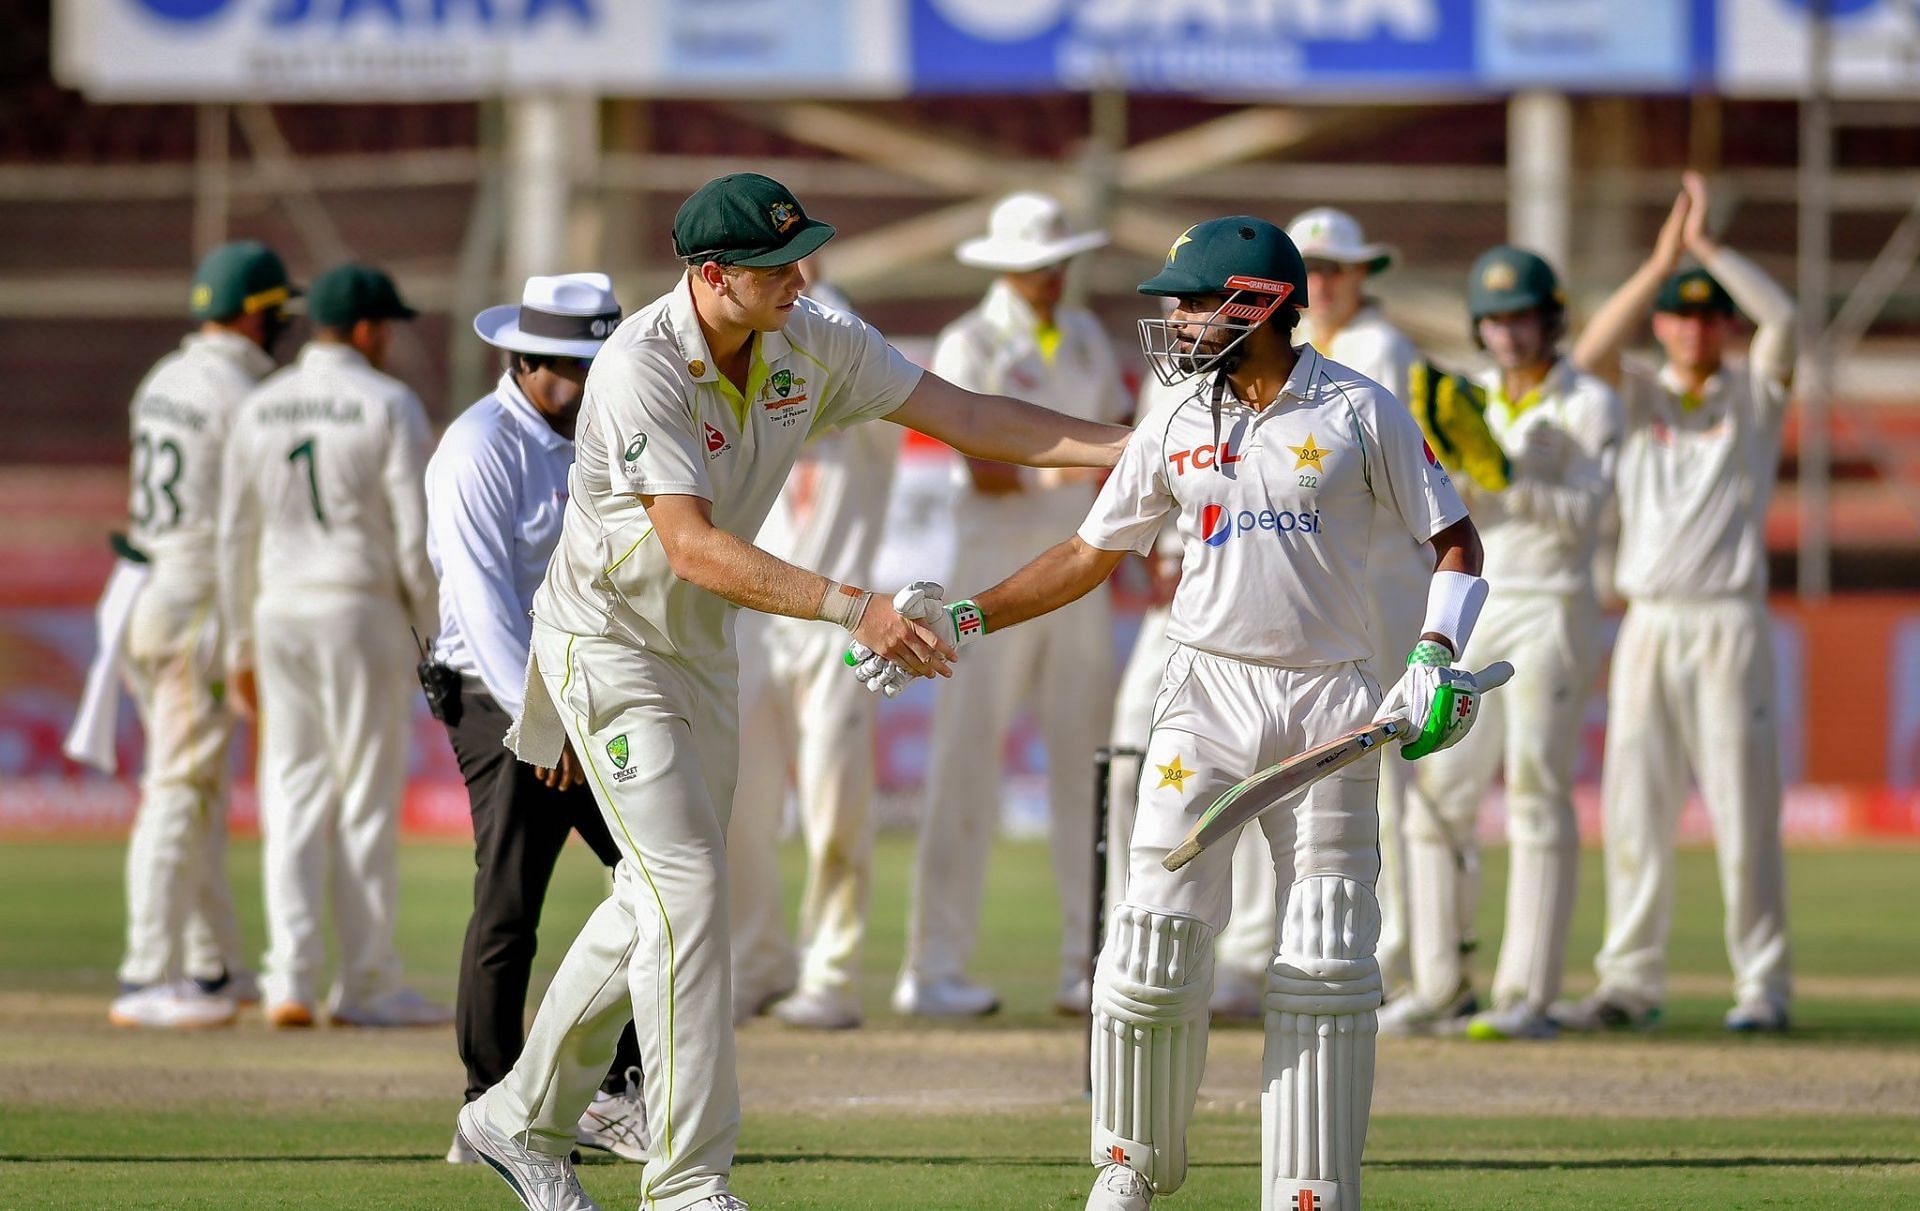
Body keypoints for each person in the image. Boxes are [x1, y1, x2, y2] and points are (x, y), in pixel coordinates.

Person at [452, 172, 1130, 1211]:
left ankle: (511, 1120)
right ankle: (686, 1181)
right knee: (689, 893)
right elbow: (691, 547)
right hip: (608, 646)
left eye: (804, 255)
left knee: (651, 898)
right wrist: (853, 605)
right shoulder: (639, 364)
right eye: (777, 266)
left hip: (701, 650)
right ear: (711, 275)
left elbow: (966, 414)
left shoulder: (811, 333)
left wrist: (1127, 450)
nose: (801, 277)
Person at [851, 215, 1490, 1211]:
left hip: (1330, 699)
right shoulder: (1176, 418)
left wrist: (1435, 656)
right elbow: (1086, 553)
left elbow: (1455, 539)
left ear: (1260, 304)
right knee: (1151, 940)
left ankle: (1310, 1187)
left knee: (1325, 953)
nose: (1177, 319)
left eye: (1193, 300)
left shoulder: (1364, 410)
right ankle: (1129, 1165)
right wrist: (969, 613)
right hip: (1204, 699)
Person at [1559, 172, 1796, 1034]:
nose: (1694, 328)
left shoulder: (1755, 393)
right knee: (1635, 804)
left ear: (1723, 325)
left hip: (1728, 620)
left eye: (1707, 314)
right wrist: (1659, 259)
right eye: (1679, 311)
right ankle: (1629, 979)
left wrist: (1707, 253)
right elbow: (1583, 357)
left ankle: (1762, 985)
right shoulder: (1641, 394)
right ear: (1662, 323)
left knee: (1743, 805)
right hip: (1650, 619)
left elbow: (1786, 323)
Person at [429, 273, 649, 1165]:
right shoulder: (475, 448)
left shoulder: (600, 428)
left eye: (599, 362)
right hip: (499, 693)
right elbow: (482, 612)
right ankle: (486, 1104)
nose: (590, 379)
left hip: (586, 685)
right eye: (572, 365)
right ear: (523, 359)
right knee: (512, 895)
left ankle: (611, 1088)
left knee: (655, 877)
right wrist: (545, 717)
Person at [899, 191, 1129, 1019]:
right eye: (1036, 266)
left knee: (1088, 767)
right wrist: (1063, 473)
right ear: (1005, 268)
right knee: (963, 765)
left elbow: (1118, 429)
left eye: (1057, 262)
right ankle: (932, 967)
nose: (1049, 277)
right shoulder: (971, 340)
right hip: (994, 567)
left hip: (1074, 567)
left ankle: (1089, 962)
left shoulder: (1090, 335)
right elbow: (979, 461)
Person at [1385, 246, 1621, 1042]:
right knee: (1435, 795)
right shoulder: (1471, 396)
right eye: (1493, 320)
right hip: (1476, 603)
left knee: (1535, 793)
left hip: (1554, 606)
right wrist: (1467, 466)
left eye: (1520, 316)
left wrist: (1506, 472)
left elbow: (1591, 519)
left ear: (1550, 318)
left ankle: (1527, 995)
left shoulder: (1589, 402)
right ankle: (1440, 983)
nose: (1507, 334)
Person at [1209, 207, 1430, 1020]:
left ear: (1364, 273)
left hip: (1372, 583)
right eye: (1318, 269)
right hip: (1312, 582)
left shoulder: (1379, 353)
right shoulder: (1277, 358)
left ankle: (1394, 953)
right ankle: (1253, 950)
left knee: (1378, 772)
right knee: (1271, 763)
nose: (1331, 281)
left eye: (1343, 267)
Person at [216, 263, 446, 1029]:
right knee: (366, 799)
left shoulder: (262, 405)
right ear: (367, 329)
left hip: (279, 608)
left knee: (291, 793)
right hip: (358, 605)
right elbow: (414, 537)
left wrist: (238, 643)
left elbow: (233, 537)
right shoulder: (389, 402)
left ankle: (290, 977)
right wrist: (434, 633)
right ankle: (368, 982)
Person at [104, 241, 296, 1029]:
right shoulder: (247, 392)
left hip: (144, 586)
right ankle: (147, 969)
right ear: (256, 314)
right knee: (180, 786)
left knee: (198, 786)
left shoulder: (163, 378)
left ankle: (215, 964)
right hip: (194, 600)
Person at [727, 278, 899, 1032]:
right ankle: (757, 959)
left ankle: (831, 971)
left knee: (835, 803)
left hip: (839, 625)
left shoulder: (864, 416)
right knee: (743, 805)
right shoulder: (746, 403)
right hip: (752, 624)